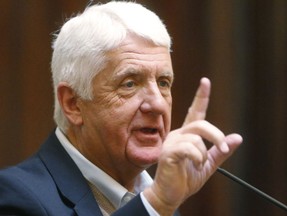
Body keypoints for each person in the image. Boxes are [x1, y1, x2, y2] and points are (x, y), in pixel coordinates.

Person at [0, 1, 242, 216]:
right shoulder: (17, 198)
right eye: (129, 83)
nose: (157, 104)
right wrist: (155, 204)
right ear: (73, 104)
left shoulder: (158, 199)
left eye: (163, 82)